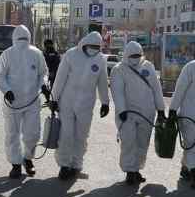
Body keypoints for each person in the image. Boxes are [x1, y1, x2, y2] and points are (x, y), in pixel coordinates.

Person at [50, 32, 110, 180]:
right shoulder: (71, 55)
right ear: (84, 44)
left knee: (81, 136)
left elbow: (102, 82)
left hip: (86, 103)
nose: (94, 49)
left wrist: (105, 102)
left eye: (97, 47)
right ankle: (64, 165)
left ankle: (76, 165)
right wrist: (54, 98)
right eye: (92, 46)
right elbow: (60, 78)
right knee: (66, 134)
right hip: (67, 102)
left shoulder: (100, 59)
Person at [0, 25, 49, 179]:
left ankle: (28, 159)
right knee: (12, 134)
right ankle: (15, 165)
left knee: (32, 133)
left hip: (32, 101)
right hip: (12, 103)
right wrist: (7, 90)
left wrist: (44, 85)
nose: (22, 43)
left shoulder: (36, 53)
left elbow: (43, 73)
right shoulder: (7, 54)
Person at [110, 41, 165, 185]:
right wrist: (121, 109)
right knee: (129, 142)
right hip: (127, 114)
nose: (135, 58)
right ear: (127, 55)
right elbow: (118, 92)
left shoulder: (148, 67)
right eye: (132, 55)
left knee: (142, 143)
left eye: (137, 55)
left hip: (147, 113)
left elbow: (156, 89)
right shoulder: (119, 69)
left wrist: (160, 110)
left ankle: (136, 169)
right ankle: (129, 171)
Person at [169, 60, 195, 188]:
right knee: (191, 145)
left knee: (190, 144)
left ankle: (186, 168)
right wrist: (173, 109)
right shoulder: (191, 67)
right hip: (189, 115)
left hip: (189, 115)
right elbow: (180, 90)